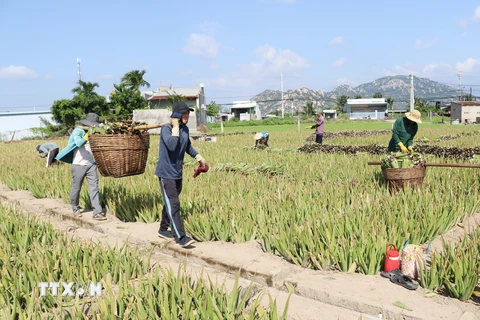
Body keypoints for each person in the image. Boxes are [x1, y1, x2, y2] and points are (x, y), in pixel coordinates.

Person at [155, 101, 208, 248]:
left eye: (188, 113)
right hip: (166, 173)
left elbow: (187, 146)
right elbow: (172, 145)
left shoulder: (184, 129)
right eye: (184, 113)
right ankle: (181, 237)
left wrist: (198, 157)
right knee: (174, 203)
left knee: (171, 202)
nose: (187, 116)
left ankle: (163, 228)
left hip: (177, 172)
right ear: (176, 115)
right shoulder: (166, 129)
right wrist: (176, 127)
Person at [55, 113, 107, 220]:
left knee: (94, 188)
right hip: (78, 164)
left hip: (91, 164)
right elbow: (78, 143)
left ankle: (97, 212)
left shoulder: (95, 132)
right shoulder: (78, 131)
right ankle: (75, 208)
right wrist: (88, 135)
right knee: (76, 188)